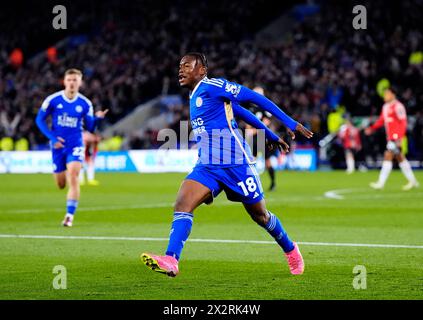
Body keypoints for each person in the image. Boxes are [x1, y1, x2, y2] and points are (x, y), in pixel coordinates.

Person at [141, 53, 313, 277]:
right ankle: (171, 259)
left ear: (202, 70)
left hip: (236, 164)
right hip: (208, 166)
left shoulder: (213, 86)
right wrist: (269, 134)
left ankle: (290, 249)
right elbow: (241, 113)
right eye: (179, 66)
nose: (180, 70)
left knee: (260, 215)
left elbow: (253, 99)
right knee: (182, 204)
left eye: (187, 66)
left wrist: (287, 122)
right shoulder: (194, 96)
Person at [35, 68, 108, 227]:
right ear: (64, 81)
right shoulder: (53, 100)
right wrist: (53, 138)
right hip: (57, 146)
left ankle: (69, 216)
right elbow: (39, 120)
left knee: (74, 176)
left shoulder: (85, 103)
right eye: (69, 80)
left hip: (75, 143)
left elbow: (90, 126)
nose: (72, 83)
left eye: (75, 80)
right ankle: (66, 189)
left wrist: (98, 119)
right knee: (61, 184)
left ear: (80, 82)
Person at [365, 87, 419, 190]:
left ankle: (380, 183)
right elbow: (381, 120)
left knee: (387, 155)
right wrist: (372, 129)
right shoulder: (385, 107)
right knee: (401, 158)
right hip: (390, 138)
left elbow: (403, 123)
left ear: (393, 94)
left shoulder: (398, 106)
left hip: (397, 138)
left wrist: (399, 138)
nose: (384, 96)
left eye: (387, 94)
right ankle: (413, 181)